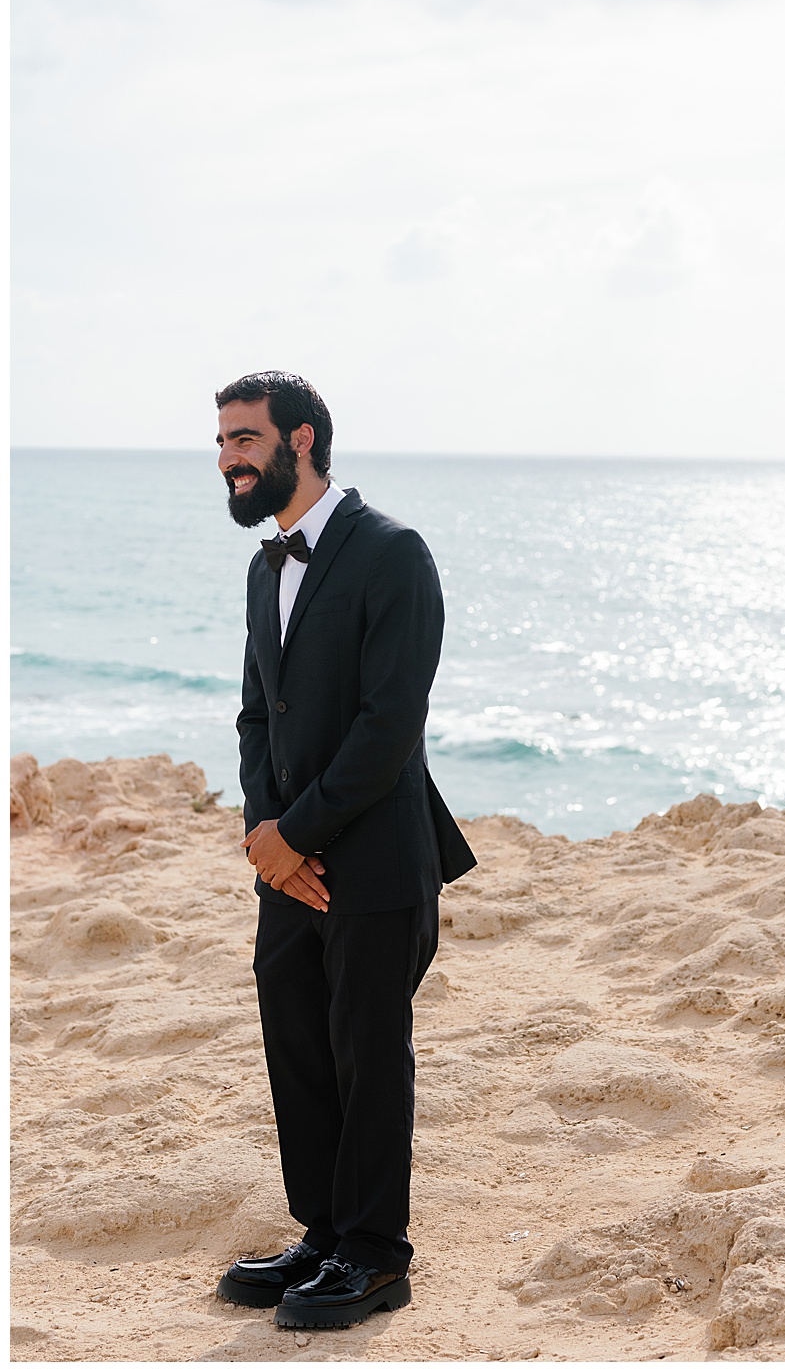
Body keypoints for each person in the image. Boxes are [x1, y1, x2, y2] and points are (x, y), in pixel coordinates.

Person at [209, 371, 475, 1330]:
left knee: (369, 1055)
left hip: (372, 859)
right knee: (299, 1046)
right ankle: (322, 1234)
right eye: (223, 444)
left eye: (245, 439)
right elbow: (254, 713)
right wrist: (262, 834)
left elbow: (390, 723)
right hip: (285, 863)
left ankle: (374, 1257)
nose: (231, 459)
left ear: (303, 439)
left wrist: (296, 835)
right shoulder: (262, 566)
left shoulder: (393, 553)